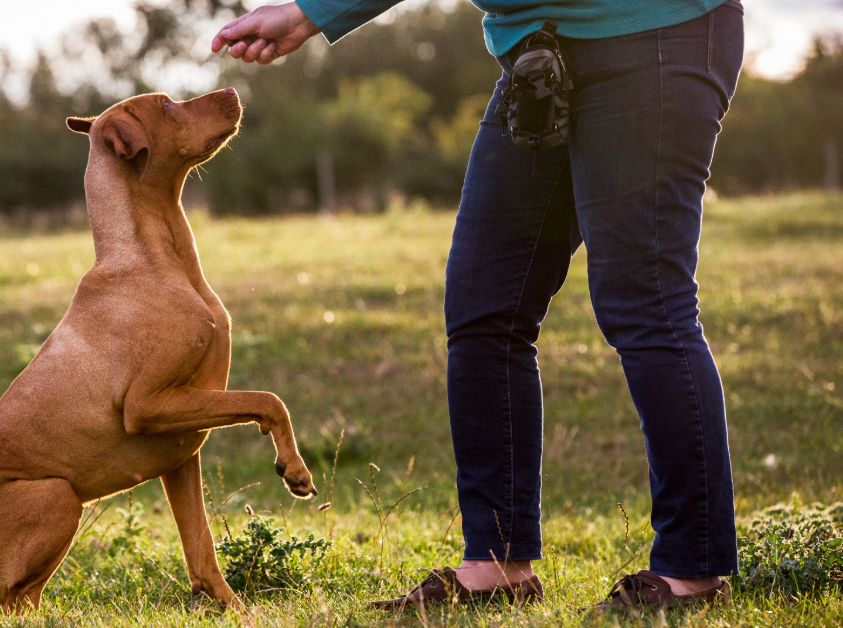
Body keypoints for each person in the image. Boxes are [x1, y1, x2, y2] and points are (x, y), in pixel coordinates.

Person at [212, 0, 743, 611]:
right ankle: (497, 564)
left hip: (651, 32)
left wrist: (314, 11)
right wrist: (312, 13)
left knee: (645, 299)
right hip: (538, 50)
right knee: (485, 307)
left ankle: (690, 571)